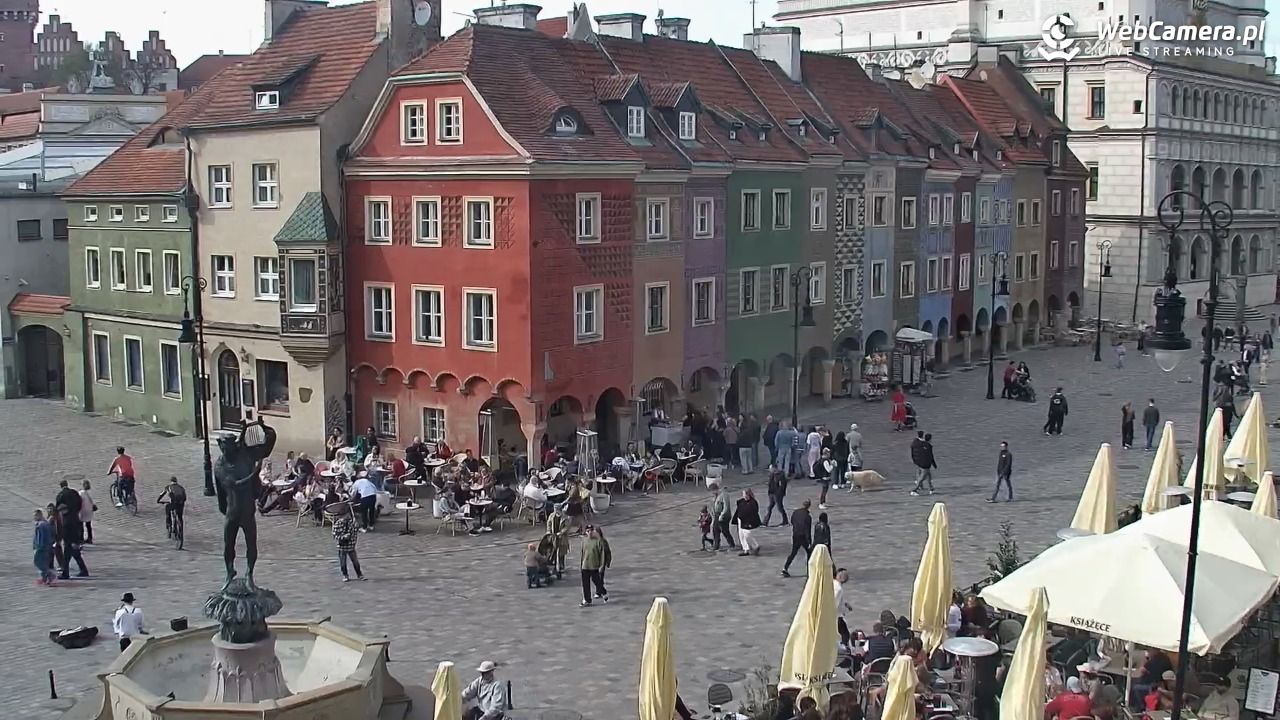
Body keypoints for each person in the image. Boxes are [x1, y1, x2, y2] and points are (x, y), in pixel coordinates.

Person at [54, 479, 88, 579]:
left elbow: (57, 508)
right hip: (75, 520)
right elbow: (79, 504)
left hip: (67, 524)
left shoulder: (60, 495)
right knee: (74, 551)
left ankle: (66, 572)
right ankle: (83, 570)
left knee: (68, 550)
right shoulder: (74, 493)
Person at [331, 502, 366, 582]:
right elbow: (335, 536)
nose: (348, 516)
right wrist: (343, 537)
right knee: (343, 562)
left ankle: (359, 574)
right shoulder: (338, 524)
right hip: (342, 547)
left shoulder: (352, 523)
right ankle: (345, 575)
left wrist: (356, 528)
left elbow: (354, 534)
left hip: (351, 546)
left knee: (355, 561)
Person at [780, 499, 813, 577]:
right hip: (803, 537)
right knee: (809, 553)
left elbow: (792, 521)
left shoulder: (796, 513)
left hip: (795, 535)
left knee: (793, 552)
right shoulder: (808, 517)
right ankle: (810, 571)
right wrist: (809, 542)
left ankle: (785, 568)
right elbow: (807, 530)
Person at [579, 526, 609, 607]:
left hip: (594, 565)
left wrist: (602, 566)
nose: (589, 533)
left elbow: (602, 554)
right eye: (587, 531)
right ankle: (587, 599)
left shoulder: (598, 542)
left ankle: (603, 592)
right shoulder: (584, 541)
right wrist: (581, 564)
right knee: (585, 584)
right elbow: (582, 553)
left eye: (591, 531)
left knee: (597, 581)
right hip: (585, 566)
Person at [733, 488, 762, 556]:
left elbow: (753, 512)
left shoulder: (753, 502)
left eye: (744, 494)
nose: (743, 496)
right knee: (741, 535)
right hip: (741, 520)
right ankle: (746, 549)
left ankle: (755, 545)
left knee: (747, 534)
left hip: (748, 521)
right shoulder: (742, 502)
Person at [32, 509, 55, 585]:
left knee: (38, 562)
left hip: (41, 547)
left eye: (35, 515)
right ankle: (44, 578)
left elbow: (40, 538)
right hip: (47, 546)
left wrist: (38, 547)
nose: (34, 517)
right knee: (43, 562)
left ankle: (49, 575)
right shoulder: (45, 523)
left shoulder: (40, 525)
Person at [710, 483, 736, 552]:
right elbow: (713, 506)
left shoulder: (724, 495)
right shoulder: (715, 497)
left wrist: (722, 515)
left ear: (715, 489)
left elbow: (726, 507)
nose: (712, 493)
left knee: (725, 530)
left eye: (712, 491)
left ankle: (732, 544)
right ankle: (716, 545)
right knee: (715, 530)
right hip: (716, 515)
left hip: (724, 516)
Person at [910, 431, 936, 496]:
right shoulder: (928, 446)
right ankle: (914, 490)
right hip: (925, 464)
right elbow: (930, 456)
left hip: (920, 463)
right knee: (923, 477)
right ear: (930, 439)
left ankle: (931, 488)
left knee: (928, 476)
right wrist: (934, 464)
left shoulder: (921, 444)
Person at [78, 479, 96, 544]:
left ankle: (81, 538)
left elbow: (79, 501)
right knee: (88, 525)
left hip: (83, 511)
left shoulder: (81, 493)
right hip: (89, 510)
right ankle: (90, 538)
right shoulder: (90, 492)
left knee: (81, 525)